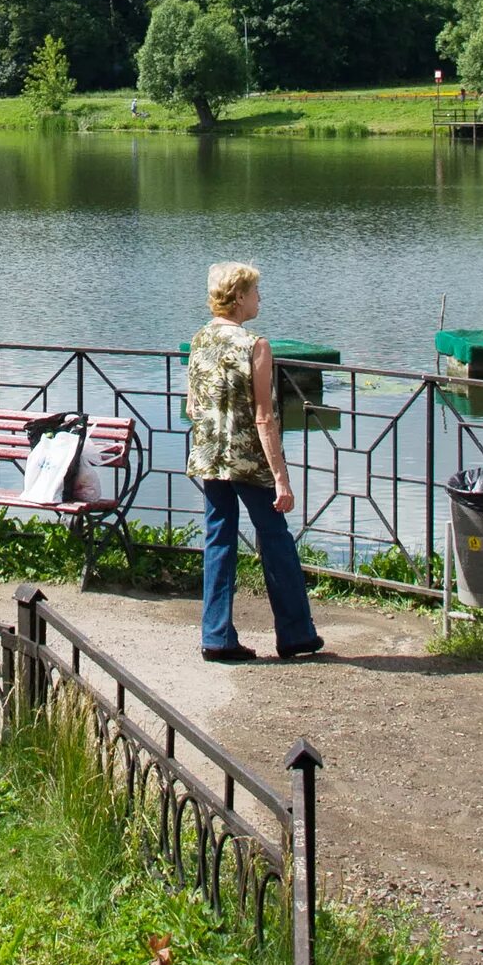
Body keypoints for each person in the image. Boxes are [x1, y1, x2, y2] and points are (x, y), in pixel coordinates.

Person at [182, 261, 321, 664]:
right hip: (248, 460)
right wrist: (282, 479)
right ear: (239, 297)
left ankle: (217, 635)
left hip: (210, 456)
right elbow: (264, 416)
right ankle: (295, 634)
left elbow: (193, 406)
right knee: (275, 538)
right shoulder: (254, 345)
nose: (261, 298)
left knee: (218, 539)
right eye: (256, 291)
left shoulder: (199, 339)